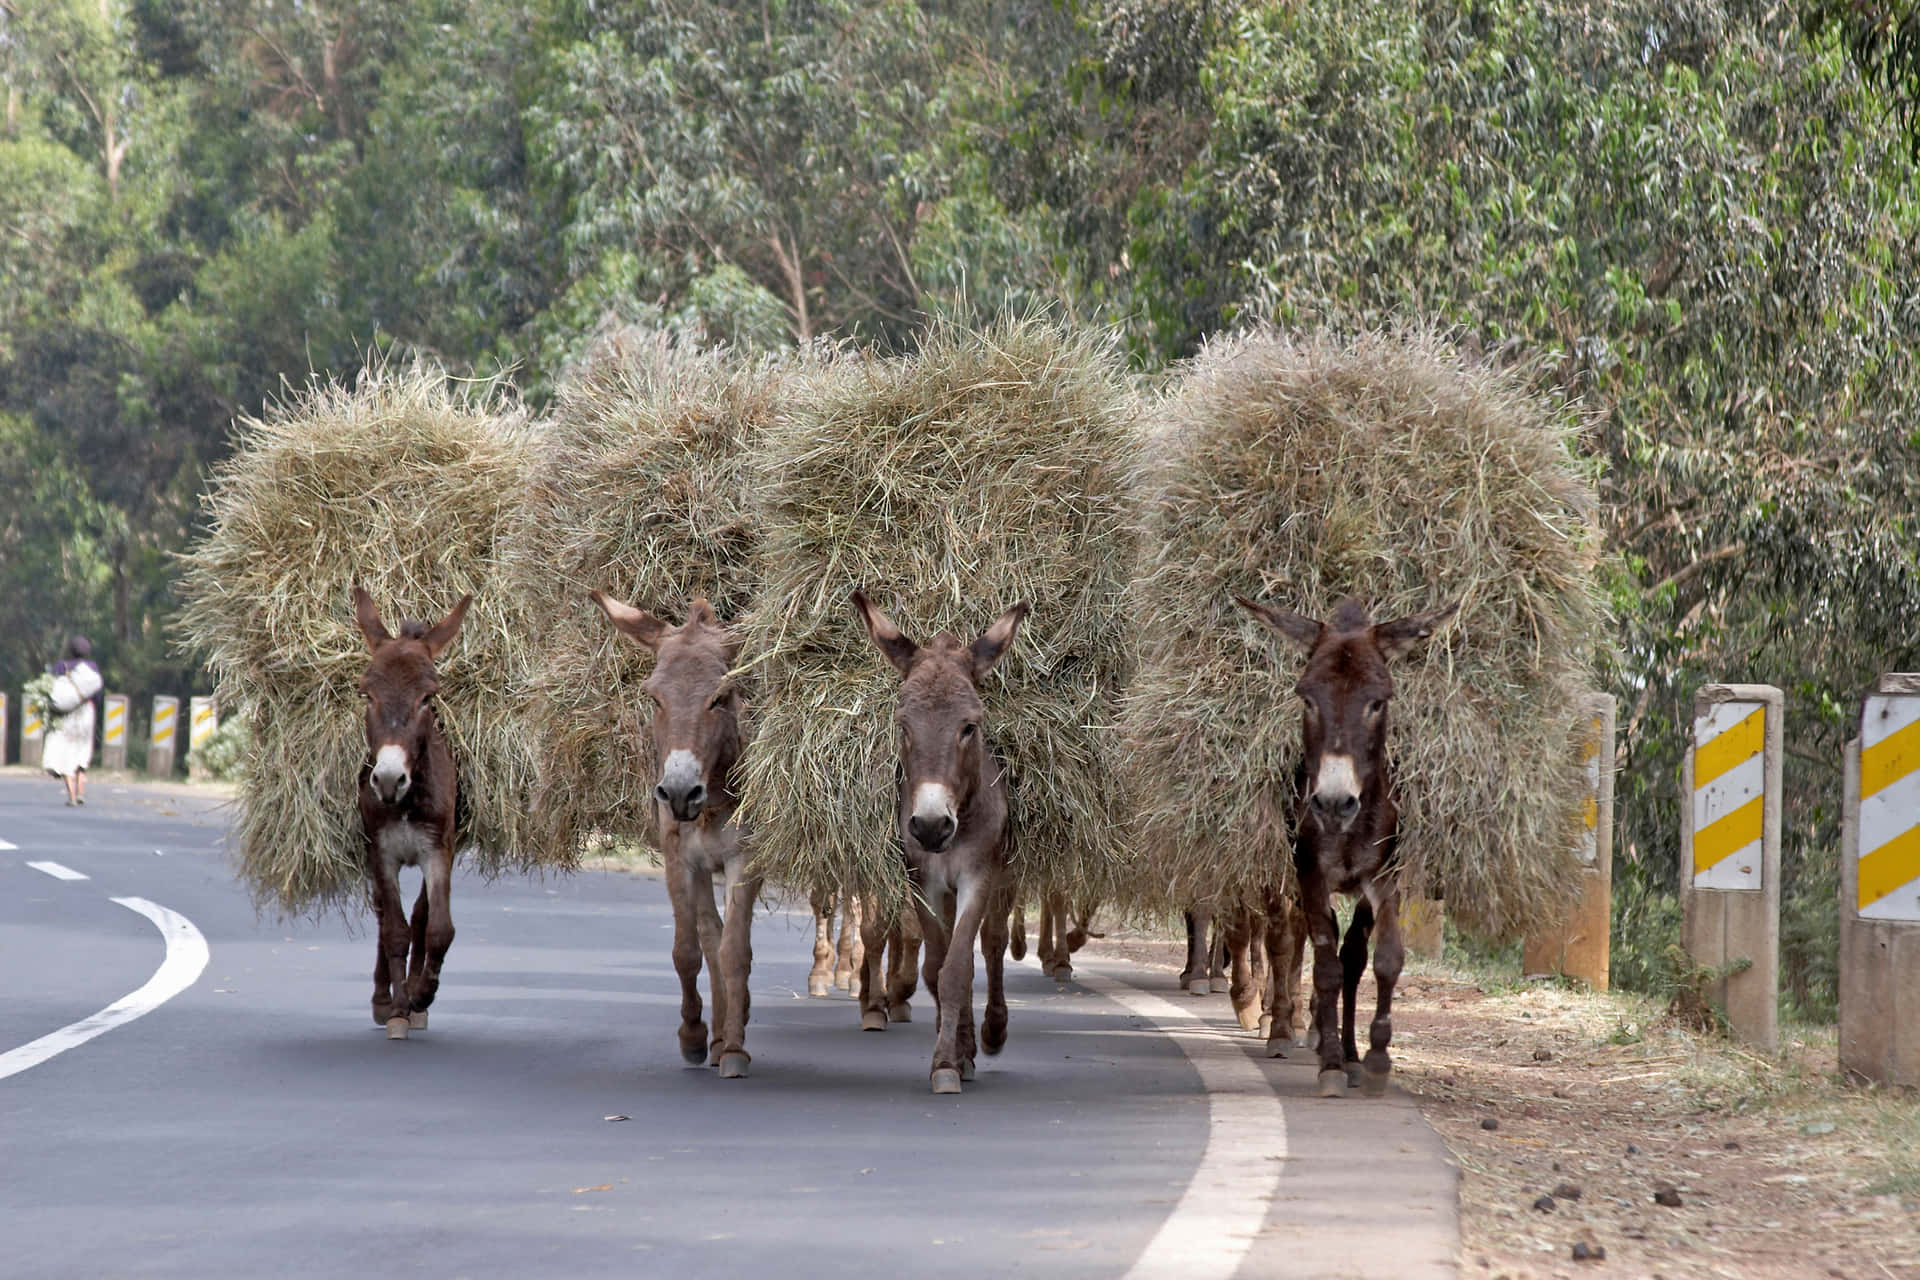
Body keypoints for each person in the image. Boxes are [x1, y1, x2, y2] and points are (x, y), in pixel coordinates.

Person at [43, 636, 103, 806]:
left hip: (66, 714)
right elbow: (98, 694)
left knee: (66, 753)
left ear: (71, 651)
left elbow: (52, 690)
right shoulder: (93, 668)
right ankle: (82, 792)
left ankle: (72, 796)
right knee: (82, 753)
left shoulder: (62, 666)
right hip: (87, 712)